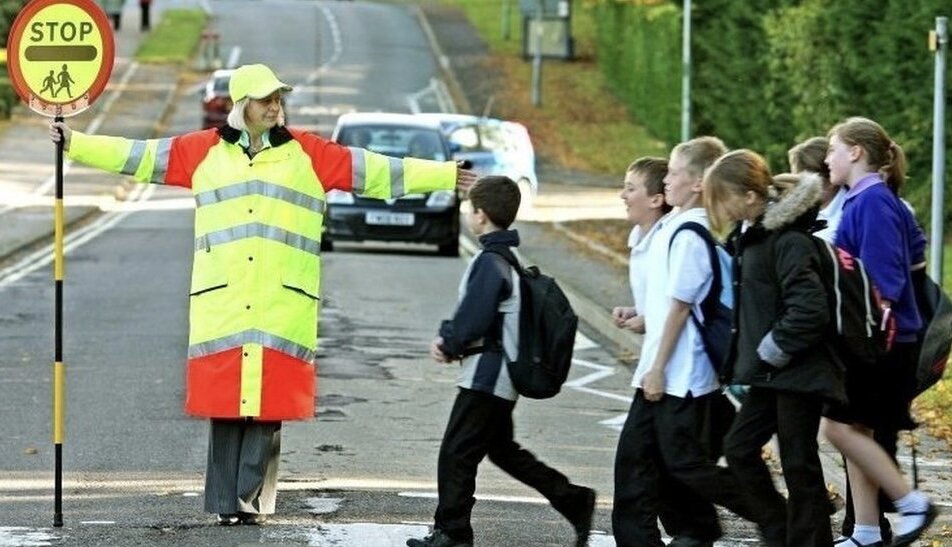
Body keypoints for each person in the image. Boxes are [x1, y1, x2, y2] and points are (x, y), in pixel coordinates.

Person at [49, 63, 476, 526]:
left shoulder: (308, 153)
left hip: (281, 302)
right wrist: (74, 142)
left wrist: (444, 175)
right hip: (224, 301)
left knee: (268, 409)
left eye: (279, 99)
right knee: (225, 406)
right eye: (266, 99)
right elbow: (139, 156)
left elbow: (375, 171)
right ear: (241, 105)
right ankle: (223, 504)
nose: (275, 106)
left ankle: (251, 504)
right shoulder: (202, 151)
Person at [409, 175, 595, 547]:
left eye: (470, 208)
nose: (468, 214)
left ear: (480, 215)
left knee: (456, 453)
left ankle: (452, 533)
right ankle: (573, 499)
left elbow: (475, 316)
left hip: (488, 375)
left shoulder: (491, 262)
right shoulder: (504, 257)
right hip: (499, 375)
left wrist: (447, 342)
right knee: (502, 451)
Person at [612, 136, 769, 547]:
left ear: (698, 183)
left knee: (682, 466)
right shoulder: (673, 228)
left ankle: (787, 518)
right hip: (666, 371)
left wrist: (657, 369)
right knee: (647, 466)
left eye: (675, 173)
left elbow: (682, 309)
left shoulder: (688, 235)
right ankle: (696, 531)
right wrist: (644, 318)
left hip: (679, 375)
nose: (666, 179)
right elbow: (671, 306)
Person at [705, 150, 845, 547]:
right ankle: (782, 528)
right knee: (740, 447)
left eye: (724, 198)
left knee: (798, 462)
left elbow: (809, 308)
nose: (720, 208)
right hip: (772, 373)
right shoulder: (752, 238)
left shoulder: (787, 241)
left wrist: (772, 348)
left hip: (797, 370)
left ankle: (807, 540)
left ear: (751, 197)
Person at [821, 116, 936, 547]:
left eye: (833, 149)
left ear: (855, 152)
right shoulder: (864, 200)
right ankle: (866, 530)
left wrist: (859, 334)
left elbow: (884, 282)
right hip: (878, 339)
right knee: (855, 430)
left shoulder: (872, 203)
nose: (827, 158)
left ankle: (911, 503)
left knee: (840, 430)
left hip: (881, 342)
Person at [611, 156, 671, 335]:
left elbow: (683, 306)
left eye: (630, 189)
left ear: (655, 200)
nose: (623, 195)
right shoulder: (640, 238)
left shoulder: (668, 244)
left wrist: (650, 320)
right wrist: (637, 311)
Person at [789, 136, 845, 242]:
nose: (800, 189)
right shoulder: (806, 212)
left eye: (806, 183)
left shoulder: (847, 213)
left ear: (830, 180)